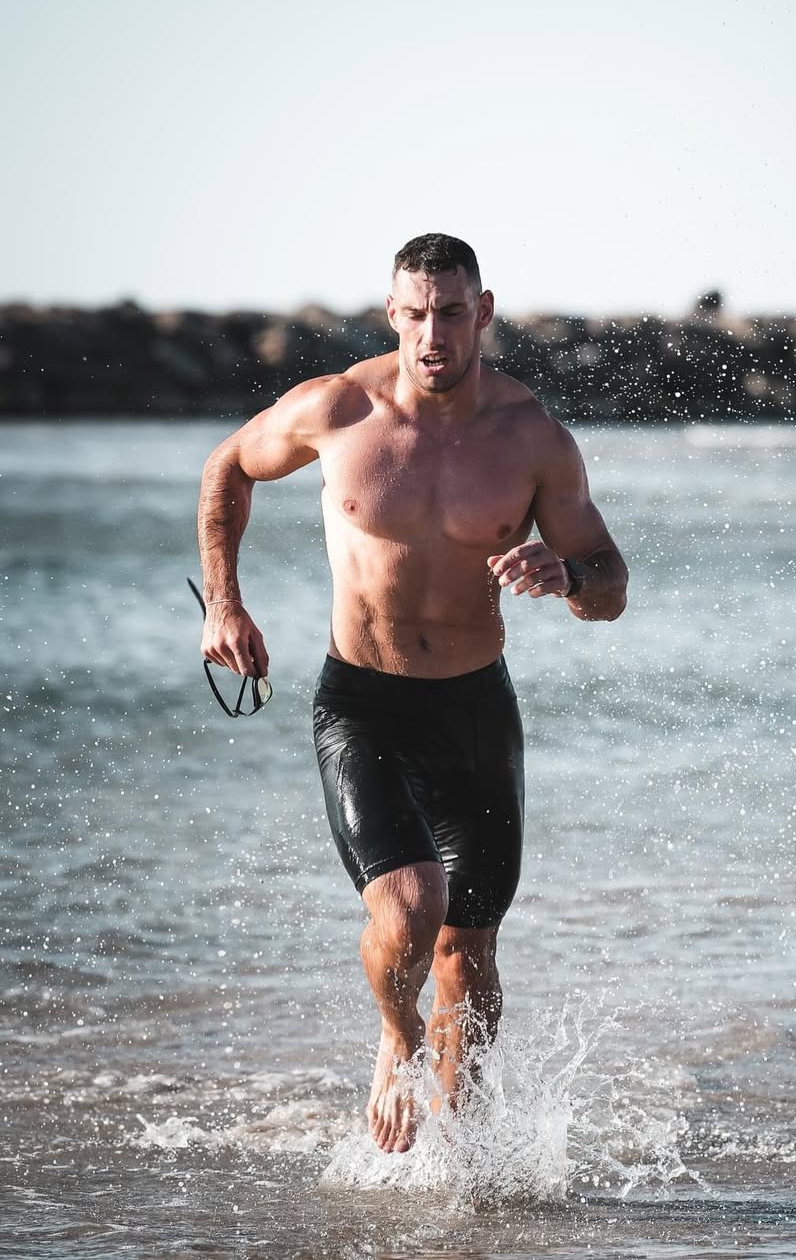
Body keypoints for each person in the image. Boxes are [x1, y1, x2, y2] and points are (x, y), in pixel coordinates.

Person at [196, 233, 628, 1153]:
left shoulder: (533, 440)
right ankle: (395, 1040)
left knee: (467, 953)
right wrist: (223, 603)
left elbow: (610, 585)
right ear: (393, 314)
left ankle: (460, 1169)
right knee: (409, 905)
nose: (434, 334)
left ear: (484, 313)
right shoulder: (338, 410)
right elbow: (228, 464)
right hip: (364, 703)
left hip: (473, 710)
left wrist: (568, 576)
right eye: (418, 314)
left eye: (453, 313)